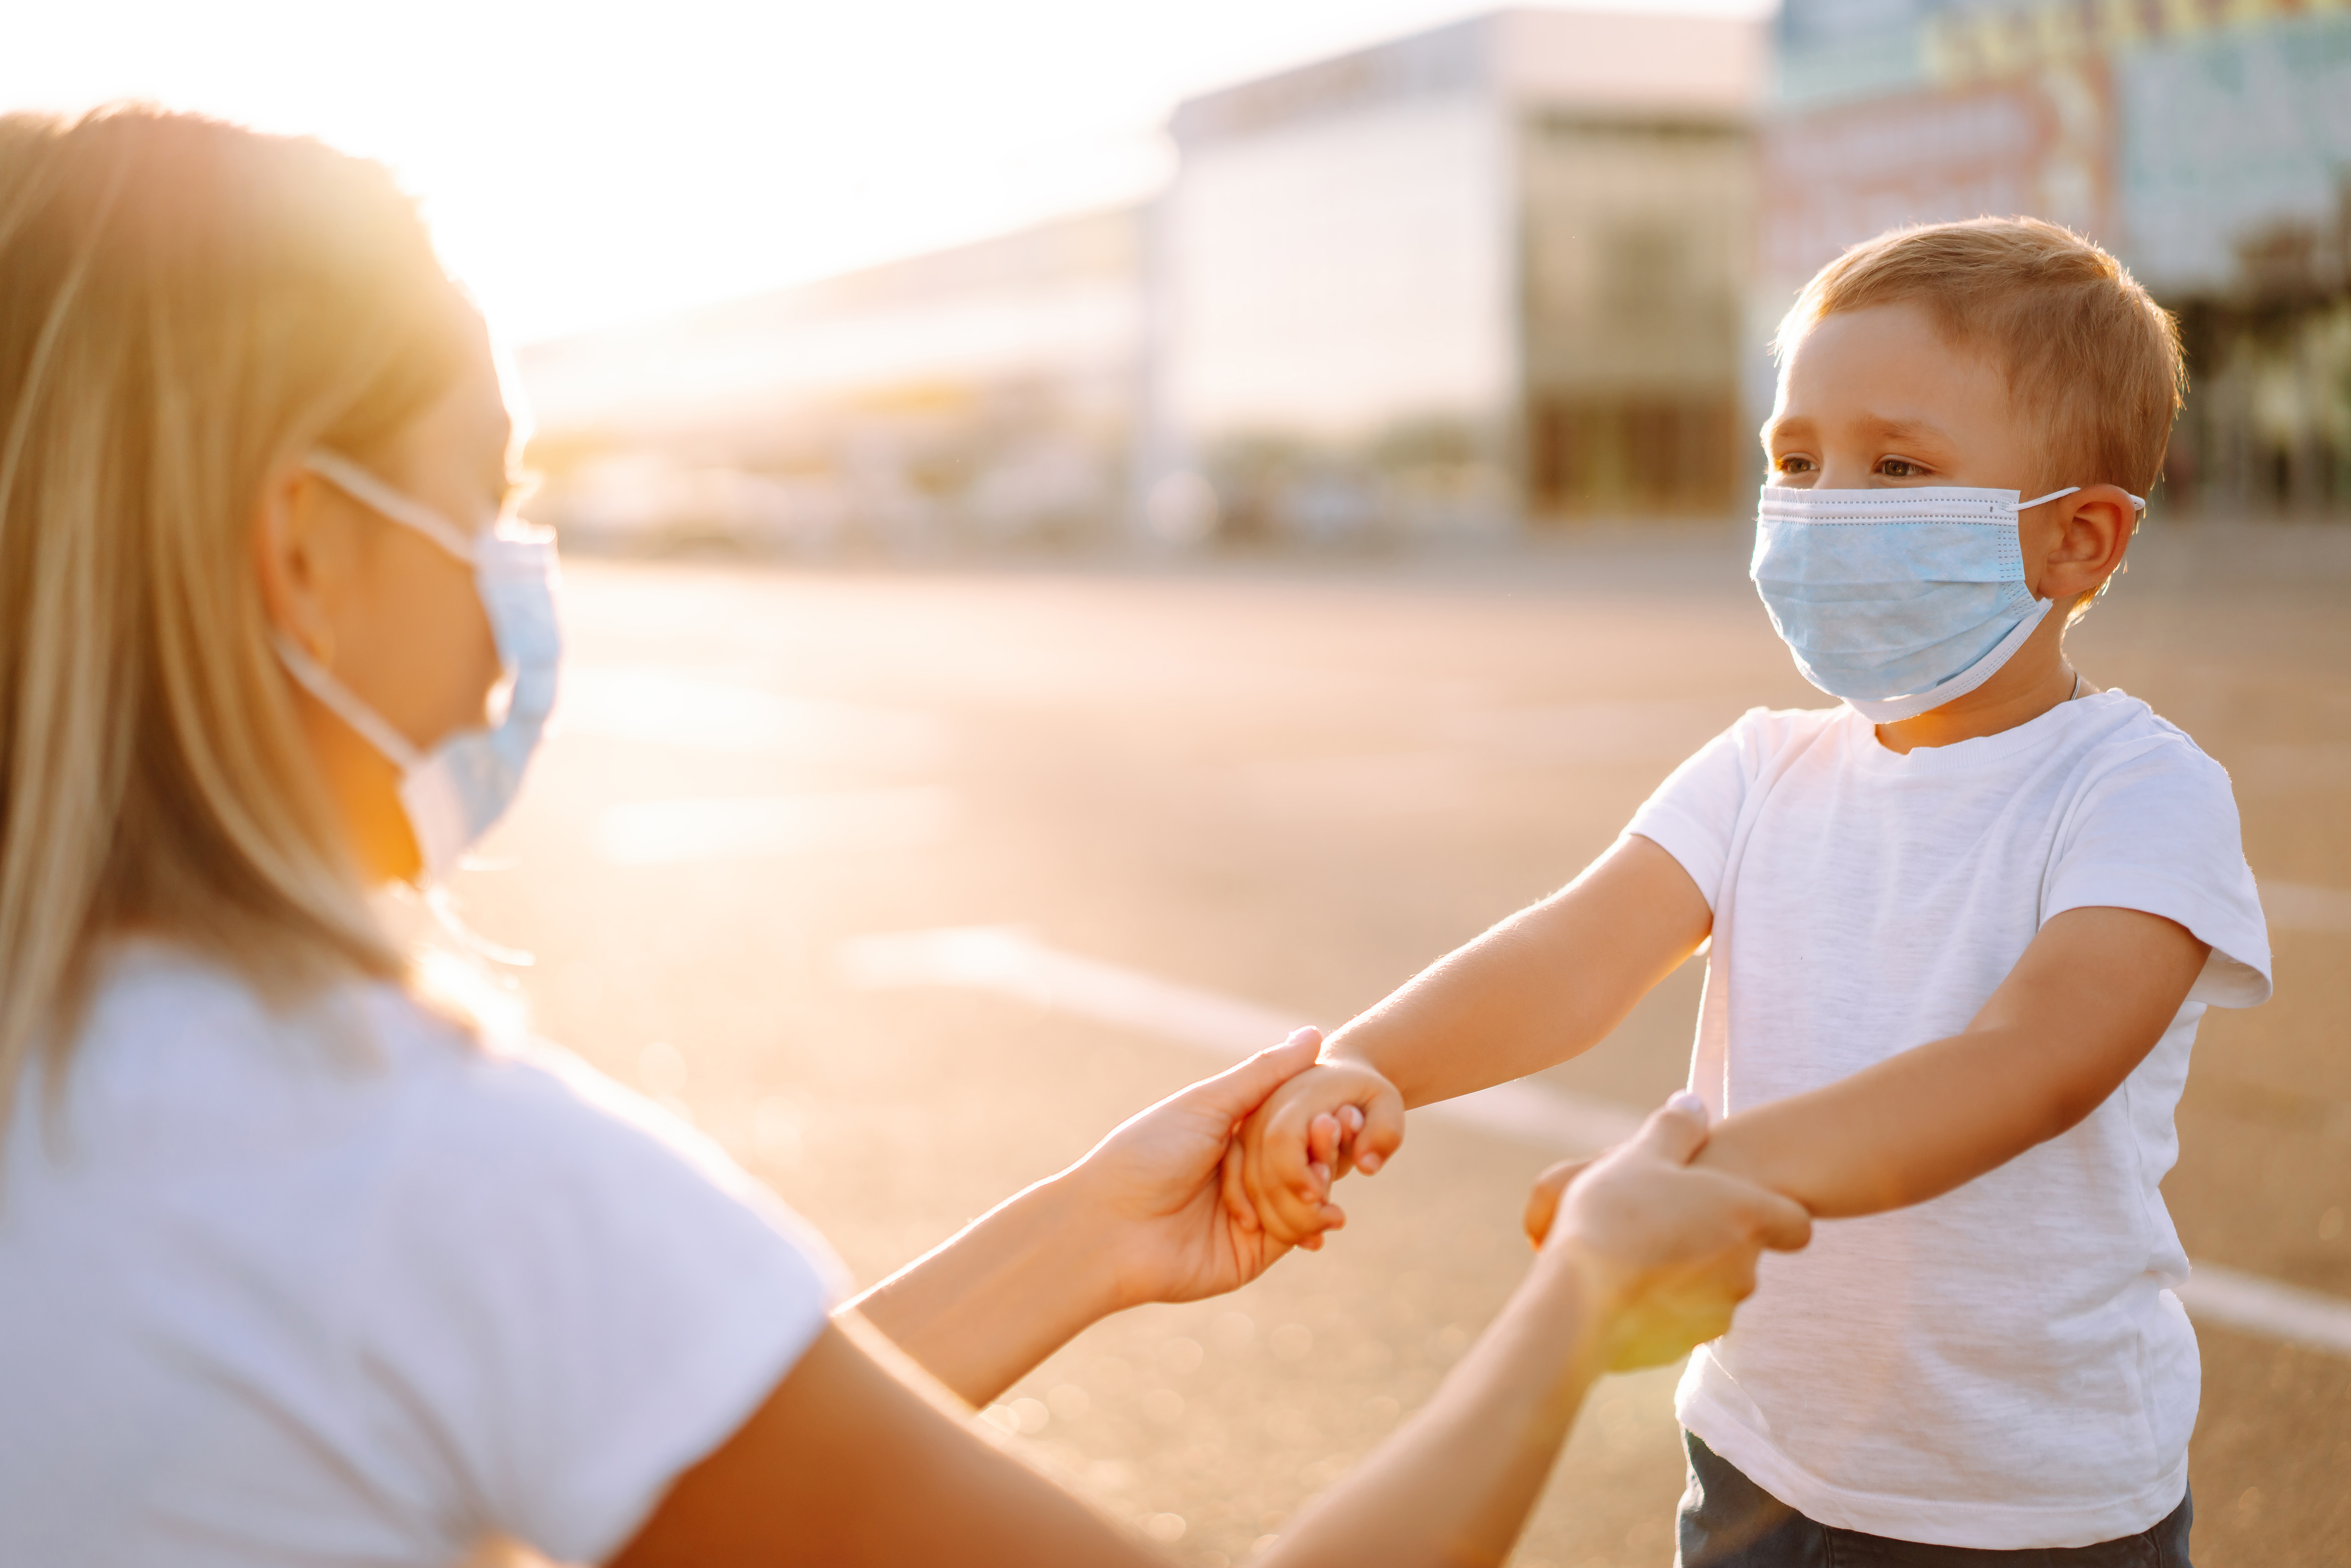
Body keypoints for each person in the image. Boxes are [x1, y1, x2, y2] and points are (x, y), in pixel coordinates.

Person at [0, 107, 1814, 1567]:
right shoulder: (418, 1164)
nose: (510, 616)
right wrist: (1585, 1290)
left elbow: (656, 1425)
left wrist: (1080, 1237)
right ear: (304, 547)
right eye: (482, 503)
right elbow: (576, 1340)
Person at [1236, 217, 2272, 1564]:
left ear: (2074, 541)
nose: (1825, 506)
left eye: (1895, 467)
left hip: (2027, 1505)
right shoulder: (1759, 768)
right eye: (1796, 462)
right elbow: (1571, 956)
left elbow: (2033, 1067)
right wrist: (1368, 1063)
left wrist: (1692, 1183)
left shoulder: (2133, 790)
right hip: (1755, 1456)